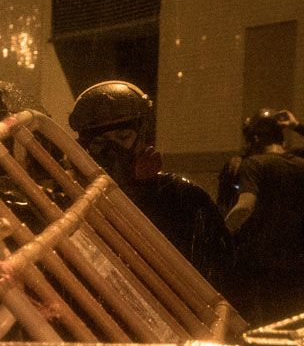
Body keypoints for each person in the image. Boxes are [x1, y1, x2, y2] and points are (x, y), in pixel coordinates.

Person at [67, 81, 227, 286]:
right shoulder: (82, 205)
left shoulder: (182, 199)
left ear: (144, 138)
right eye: (100, 142)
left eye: (123, 137)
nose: (112, 151)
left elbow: (216, 276)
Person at [222, 106, 304, 324]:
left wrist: (221, 235)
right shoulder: (300, 164)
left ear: (255, 138)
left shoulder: (255, 165)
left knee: (264, 329)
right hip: (298, 266)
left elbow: (245, 206)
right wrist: (297, 126)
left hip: (263, 266)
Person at [218, 110, 299, 214]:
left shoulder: (248, 165)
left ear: (254, 139)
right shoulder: (295, 162)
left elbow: (238, 206)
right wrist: (296, 126)